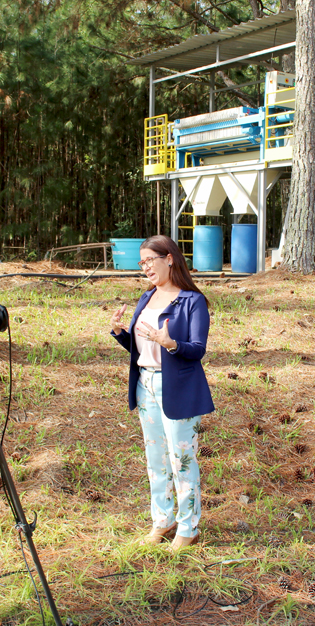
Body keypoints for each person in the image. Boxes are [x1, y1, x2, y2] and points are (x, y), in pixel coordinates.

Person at [110, 235, 214, 551]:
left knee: (181, 459)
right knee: (156, 460)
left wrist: (170, 343)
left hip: (178, 388)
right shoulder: (146, 298)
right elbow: (143, 348)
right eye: (141, 263)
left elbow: (197, 350)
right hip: (145, 385)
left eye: (149, 261)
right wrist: (120, 334)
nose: (145, 268)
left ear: (169, 258)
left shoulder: (192, 301)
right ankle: (163, 521)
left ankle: (188, 527)